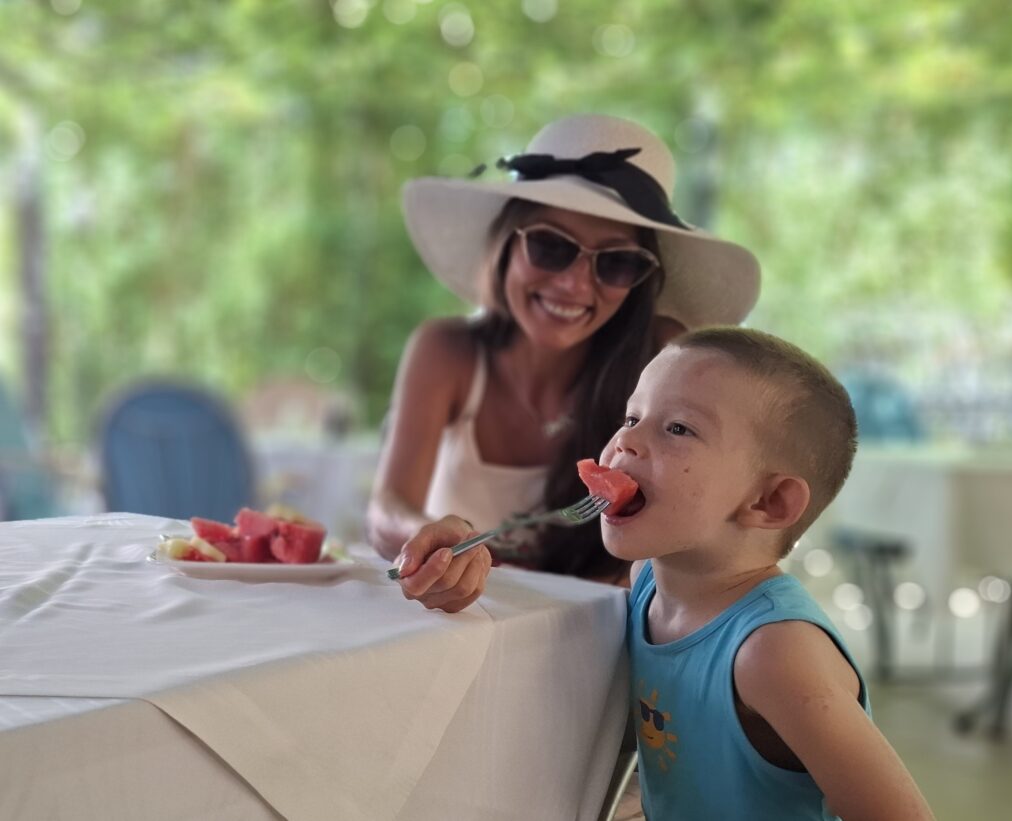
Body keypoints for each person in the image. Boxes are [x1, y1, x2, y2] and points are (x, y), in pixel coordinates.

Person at [400, 327, 936, 820]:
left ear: (769, 501)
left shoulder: (774, 654)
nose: (625, 443)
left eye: (678, 428)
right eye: (632, 418)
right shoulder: (647, 583)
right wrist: (463, 559)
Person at [368, 113, 760, 611]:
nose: (575, 285)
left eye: (616, 261)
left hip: (598, 636)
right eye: (552, 246)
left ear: (642, 278)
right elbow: (386, 510)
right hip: (461, 627)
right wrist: (428, 539)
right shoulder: (447, 352)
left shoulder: (660, 360)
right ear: (507, 242)